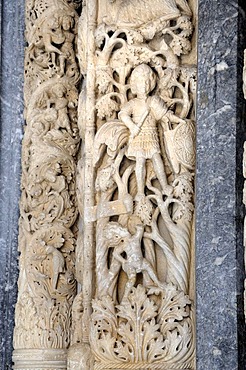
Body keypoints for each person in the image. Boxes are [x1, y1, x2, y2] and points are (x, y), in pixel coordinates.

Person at [119, 63, 184, 200]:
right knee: (140, 162)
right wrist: (131, 126)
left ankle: (165, 186)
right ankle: (140, 192)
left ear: (150, 84)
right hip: (139, 135)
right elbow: (123, 114)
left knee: (157, 158)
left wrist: (178, 120)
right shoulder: (133, 103)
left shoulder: (154, 101)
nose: (143, 86)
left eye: (146, 82)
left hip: (151, 134)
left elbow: (164, 114)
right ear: (135, 85)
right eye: (140, 83)